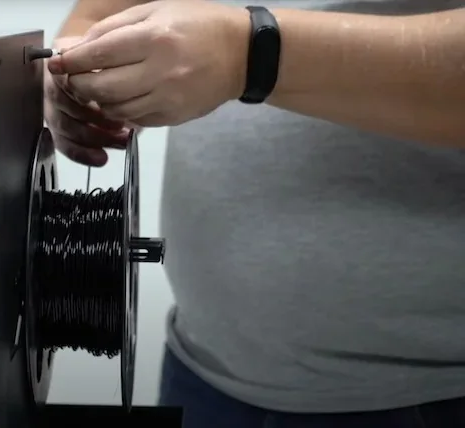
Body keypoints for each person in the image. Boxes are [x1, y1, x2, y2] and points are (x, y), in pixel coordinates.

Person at [44, 0, 465, 427]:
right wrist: (84, 56)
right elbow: (101, 12)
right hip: (202, 372)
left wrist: (251, 53)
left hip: (429, 395)